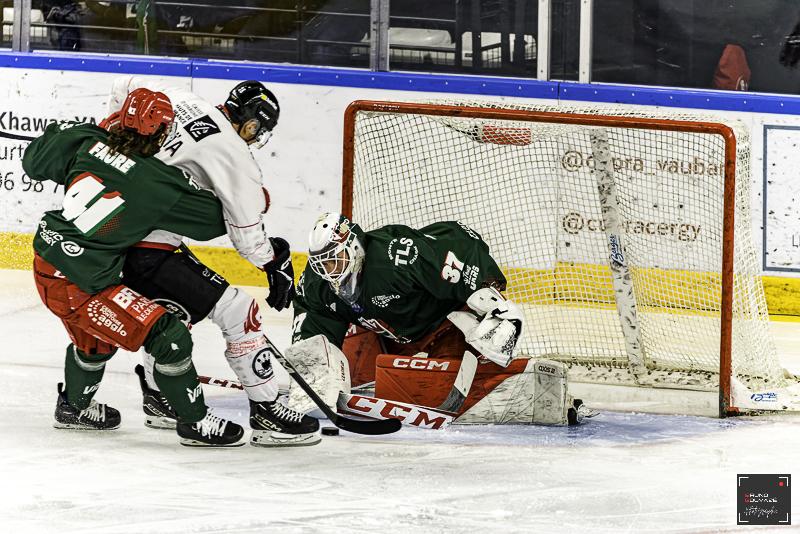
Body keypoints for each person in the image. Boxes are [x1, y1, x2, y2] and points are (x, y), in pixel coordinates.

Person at [105, 77, 319, 447]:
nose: (256, 137)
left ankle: (160, 397)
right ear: (251, 124)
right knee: (240, 310)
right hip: (146, 249)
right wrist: (274, 262)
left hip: (110, 236)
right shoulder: (234, 155)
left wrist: (114, 135)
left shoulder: (181, 98)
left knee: (173, 311)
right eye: (259, 130)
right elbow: (247, 238)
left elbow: (124, 84)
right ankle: (268, 412)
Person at [25, 88, 243, 446]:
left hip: (49, 264)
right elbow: (218, 222)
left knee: (96, 342)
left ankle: (74, 408)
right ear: (162, 133)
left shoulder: (87, 142)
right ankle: (194, 421)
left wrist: (72, 132)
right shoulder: (158, 183)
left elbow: (33, 163)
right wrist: (249, 196)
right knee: (170, 338)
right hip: (82, 284)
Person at [287, 213, 589, 426]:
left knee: (441, 386)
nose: (329, 270)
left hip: (442, 326)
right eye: (321, 263)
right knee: (346, 374)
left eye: (334, 259)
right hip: (389, 333)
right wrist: (312, 367)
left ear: (354, 247)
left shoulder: (397, 256)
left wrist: (492, 302)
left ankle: (527, 382)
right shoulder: (317, 282)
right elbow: (313, 323)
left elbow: (459, 242)